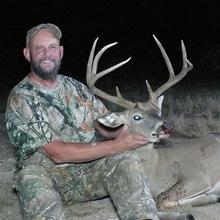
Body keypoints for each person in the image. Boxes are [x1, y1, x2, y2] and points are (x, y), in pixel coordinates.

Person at [5, 23, 159, 220]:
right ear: (28, 54)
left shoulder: (75, 87)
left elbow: (103, 124)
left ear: (60, 52)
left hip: (88, 173)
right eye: (39, 48)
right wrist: (118, 144)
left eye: (52, 47)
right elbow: (57, 153)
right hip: (49, 178)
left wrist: (131, 129)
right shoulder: (21, 98)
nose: (47, 53)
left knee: (127, 160)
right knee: (29, 177)